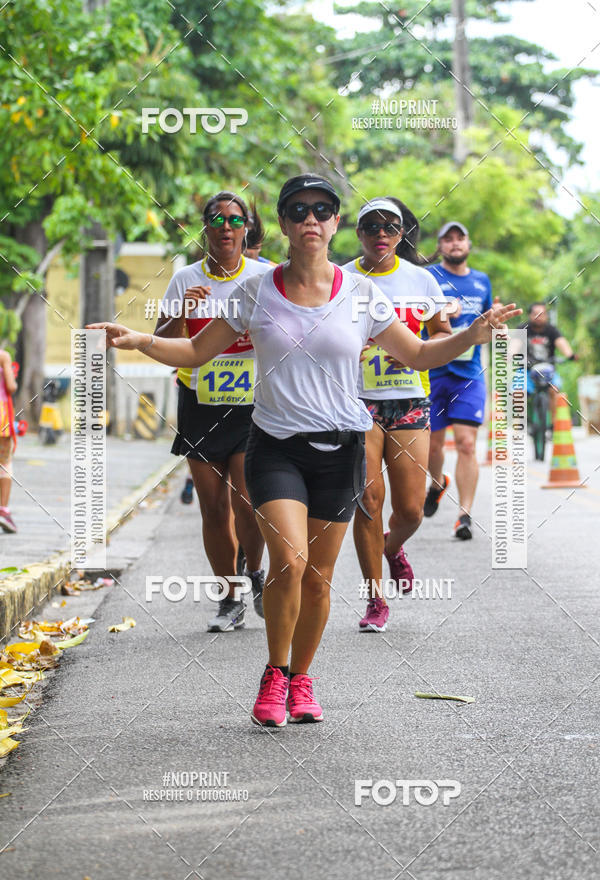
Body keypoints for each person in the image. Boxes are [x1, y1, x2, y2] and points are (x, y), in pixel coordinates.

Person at [88, 173, 521, 728]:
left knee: (318, 577)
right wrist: (139, 340)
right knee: (289, 562)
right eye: (298, 210)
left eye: (321, 210)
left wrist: (472, 334)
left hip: (340, 449)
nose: (310, 219)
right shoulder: (256, 290)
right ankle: (274, 672)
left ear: (335, 223)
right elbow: (195, 351)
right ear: (284, 224)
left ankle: (302, 678)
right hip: (275, 448)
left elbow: (417, 354)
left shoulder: (361, 294)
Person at [154, 191, 270, 630]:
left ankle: (254, 570)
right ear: (204, 228)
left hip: (251, 406)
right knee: (214, 509)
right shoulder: (185, 279)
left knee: (248, 502)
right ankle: (229, 598)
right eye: (217, 220)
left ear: (246, 229)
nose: (226, 227)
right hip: (199, 403)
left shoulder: (264, 277)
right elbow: (161, 341)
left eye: (235, 220)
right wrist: (182, 313)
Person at [344, 197, 452, 632]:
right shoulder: (341, 279)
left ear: (401, 232)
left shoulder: (421, 280)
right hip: (356, 401)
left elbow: (441, 333)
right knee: (369, 501)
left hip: (409, 400)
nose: (381, 233)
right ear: (359, 233)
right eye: (371, 226)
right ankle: (375, 599)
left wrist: (415, 348)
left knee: (410, 510)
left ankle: (392, 548)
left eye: (390, 226)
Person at [424, 221, 493, 540]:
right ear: (439, 245)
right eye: (448, 239)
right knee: (433, 446)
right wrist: (440, 315)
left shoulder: (482, 281)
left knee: (467, 443)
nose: (455, 243)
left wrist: (495, 324)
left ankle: (464, 515)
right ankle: (437, 482)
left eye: (460, 238)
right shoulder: (428, 278)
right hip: (433, 371)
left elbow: (488, 324)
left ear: (468, 244)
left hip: (469, 375)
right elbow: (411, 319)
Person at [522, 302, 576, 418]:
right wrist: (510, 354)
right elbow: (514, 345)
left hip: (548, 370)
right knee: (519, 393)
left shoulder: (552, 330)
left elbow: (561, 343)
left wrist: (570, 355)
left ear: (546, 316)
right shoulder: (523, 328)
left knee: (554, 390)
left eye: (542, 314)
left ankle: (553, 423)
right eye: (535, 314)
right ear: (530, 315)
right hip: (527, 370)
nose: (538, 317)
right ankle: (518, 426)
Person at [0, 349, 18, 534]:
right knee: (4, 463)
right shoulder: (3, 356)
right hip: (2, 416)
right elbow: (11, 387)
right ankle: (3, 511)